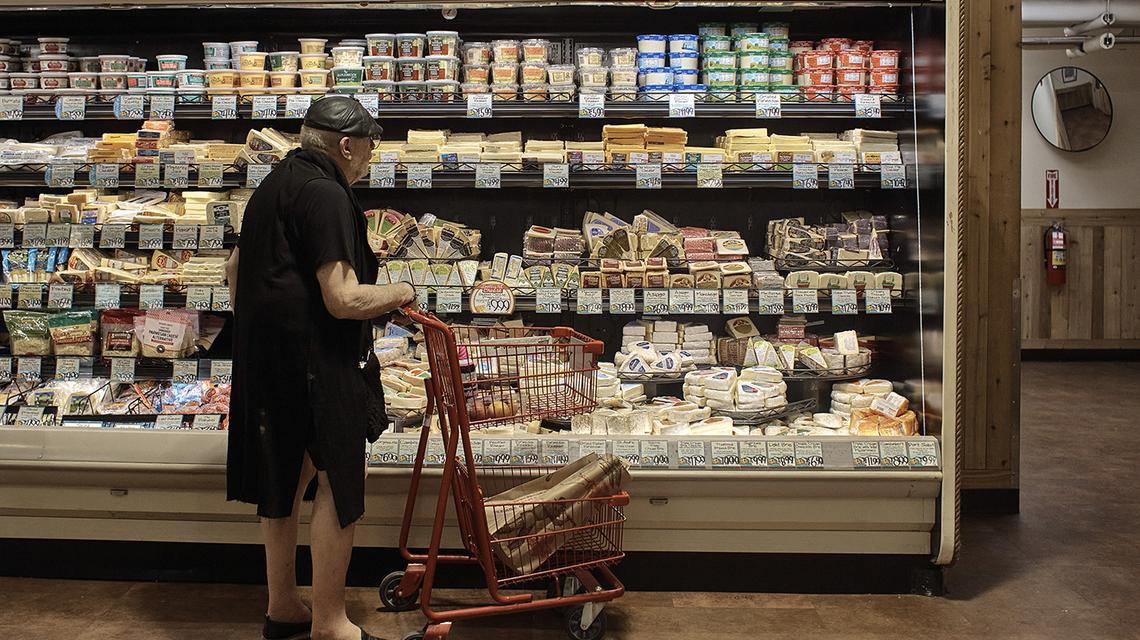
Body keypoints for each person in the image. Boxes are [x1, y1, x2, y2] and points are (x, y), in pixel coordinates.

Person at [225, 96, 415, 640]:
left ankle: (282, 607)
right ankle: (331, 623)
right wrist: (402, 290)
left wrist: (268, 328)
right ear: (347, 145)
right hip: (319, 366)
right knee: (337, 483)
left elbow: (235, 268)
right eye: (370, 144)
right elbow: (342, 299)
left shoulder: (275, 182)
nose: (373, 155)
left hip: (271, 364)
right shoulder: (328, 193)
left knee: (285, 482)